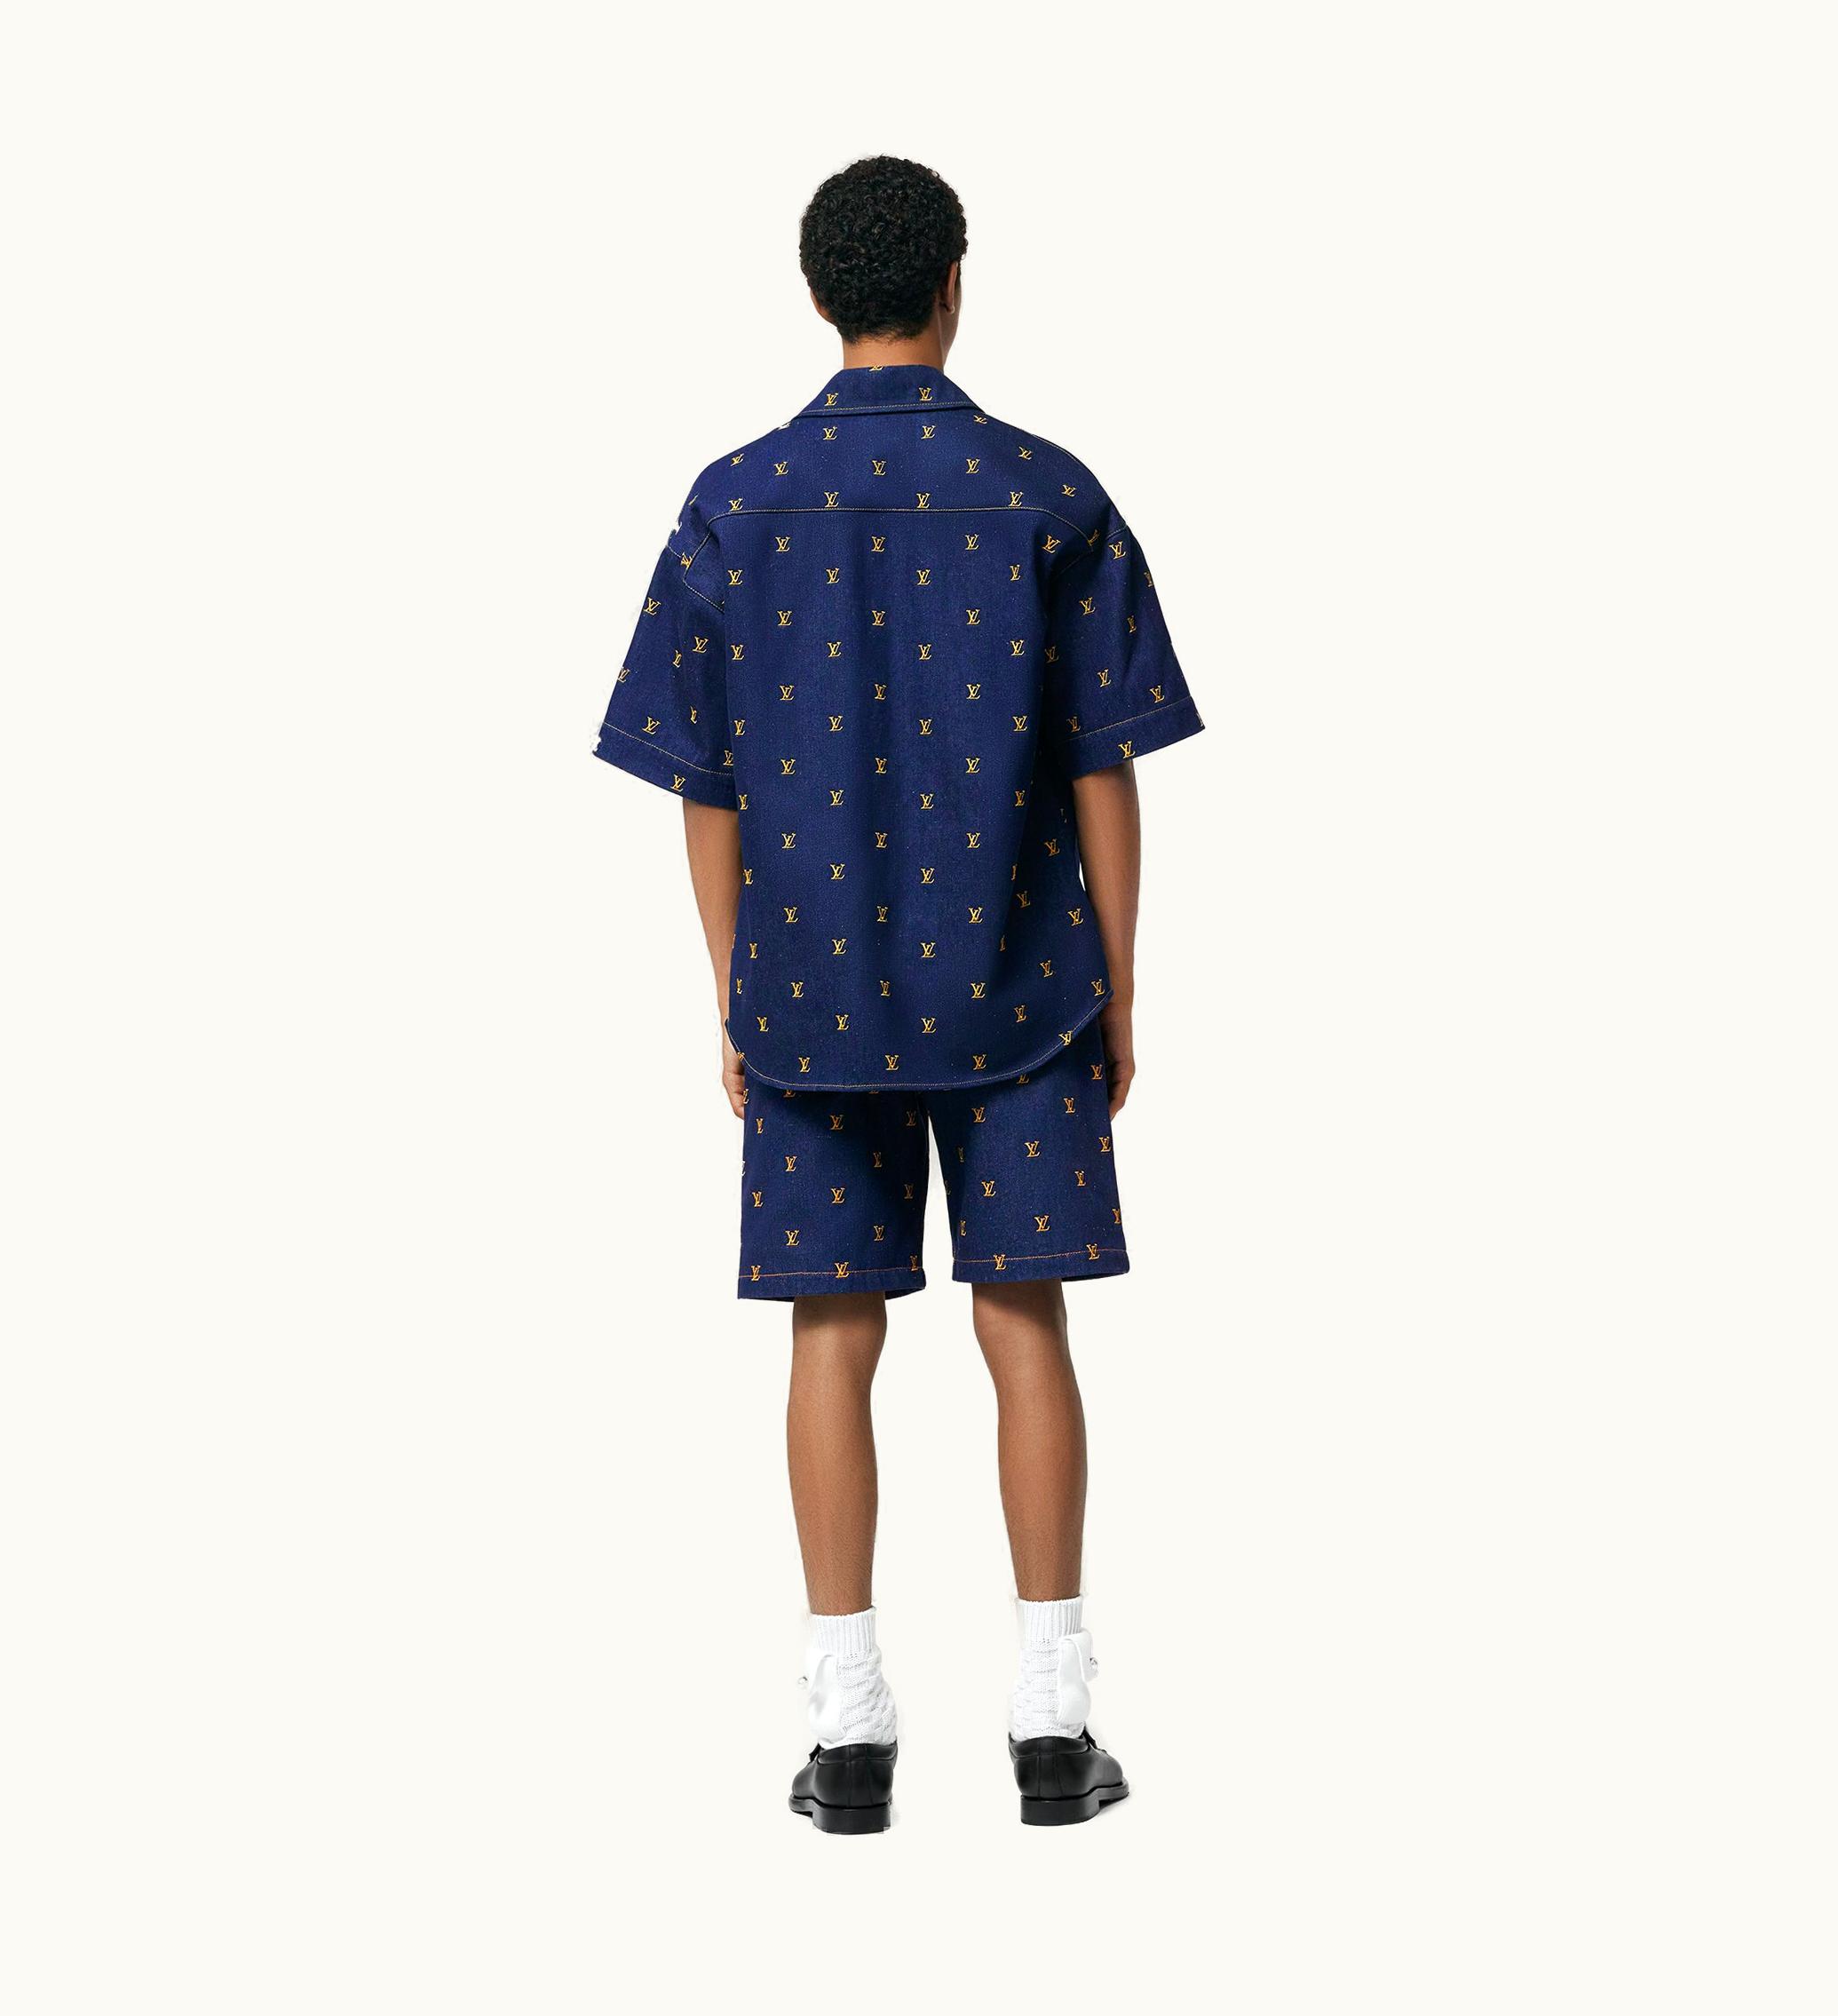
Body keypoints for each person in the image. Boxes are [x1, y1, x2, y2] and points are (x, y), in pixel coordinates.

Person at [593, 155, 1202, 1829]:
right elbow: (1101, 763)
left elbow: (703, 779)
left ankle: (848, 1731)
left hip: (807, 992)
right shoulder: (1047, 491)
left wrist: (732, 987)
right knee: (1024, 1322)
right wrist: (1118, 985)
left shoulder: (733, 499)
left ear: (817, 296)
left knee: (831, 1329)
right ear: (952, 286)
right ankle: (1052, 1725)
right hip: (1026, 987)